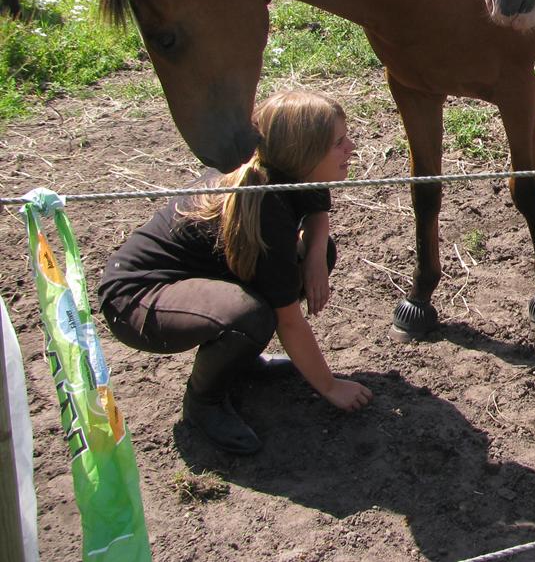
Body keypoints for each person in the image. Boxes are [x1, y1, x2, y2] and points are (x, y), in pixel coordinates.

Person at [98, 90, 372, 454]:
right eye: (339, 142)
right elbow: (288, 320)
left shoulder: (284, 168)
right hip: (137, 299)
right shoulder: (264, 204)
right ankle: (203, 403)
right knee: (250, 316)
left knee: (306, 261)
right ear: (303, 152)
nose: (351, 146)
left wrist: (317, 255)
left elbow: (316, 208)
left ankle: (241, 362)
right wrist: (330, 386)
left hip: (192, 279)